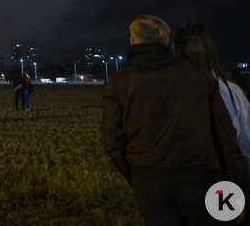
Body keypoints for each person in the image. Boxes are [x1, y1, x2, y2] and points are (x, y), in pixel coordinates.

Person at [101, 15, 244, 225]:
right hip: (200, 179)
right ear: (167, 41)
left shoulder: (119, 81)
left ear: (132, 40)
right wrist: (235, 181)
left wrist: (136, 176)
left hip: (148, 181)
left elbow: (112, 142)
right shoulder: (199, 76)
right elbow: (225, 135)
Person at [177, 19, 250, 186]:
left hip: (179, 184)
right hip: (223, 178)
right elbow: (246, 144)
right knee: (222, 213)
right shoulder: (231, 91)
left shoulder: (168, 92)